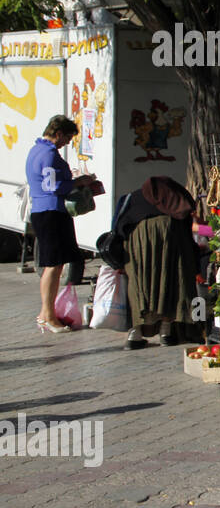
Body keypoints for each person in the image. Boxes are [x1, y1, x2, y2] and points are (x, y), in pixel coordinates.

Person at [25, 115, 96, 333]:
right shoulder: (49, 155)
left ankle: (46, 313)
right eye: (66, 138)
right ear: (58, 134)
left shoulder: (35, 150)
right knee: (53, 265)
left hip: (43, 210)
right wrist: (79, 182)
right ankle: (47, 315)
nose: (67, 143)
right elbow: (53, 186)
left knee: (54, 264)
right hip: (50, 211)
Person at [112, 176, 200, 350]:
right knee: (171, 280)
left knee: (138, 284)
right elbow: (192, 232)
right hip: (172, 237)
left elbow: (118, 226)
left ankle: (134, 334)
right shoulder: (176, 202)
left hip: (137, 241)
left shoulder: (133, 198)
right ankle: (166, 333)